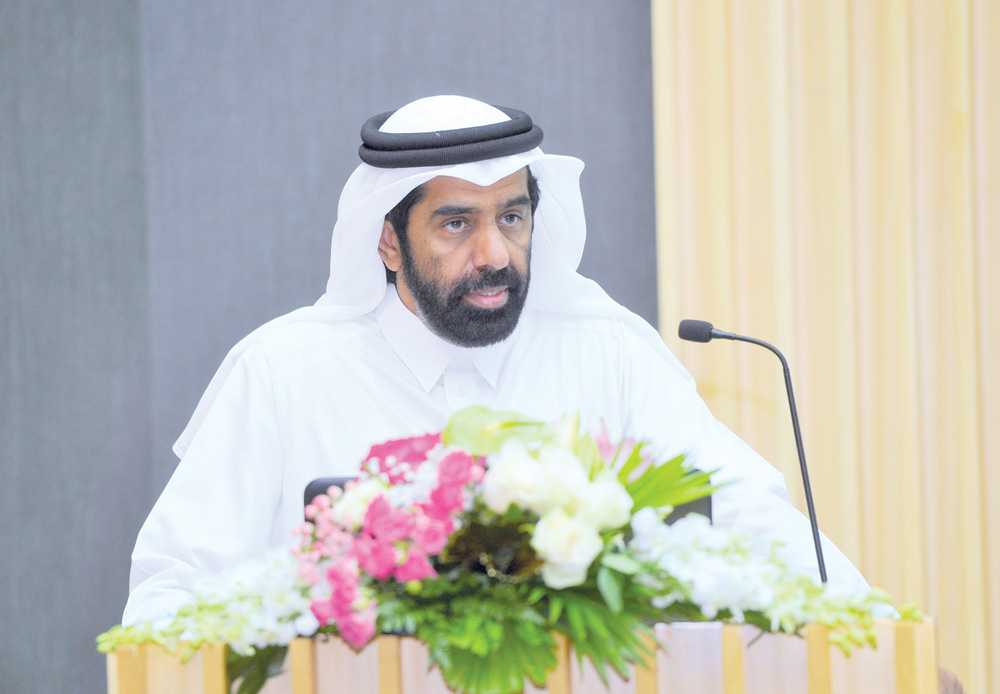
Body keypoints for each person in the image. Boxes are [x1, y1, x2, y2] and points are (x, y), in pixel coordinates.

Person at [123, 95, 873, 626]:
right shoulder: (284, 374)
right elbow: (174, 583)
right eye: (456, 224)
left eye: (511, 218)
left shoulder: (606, 354)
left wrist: (877, 640)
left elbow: (750, 521)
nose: (493, 254)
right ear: (388, 242)